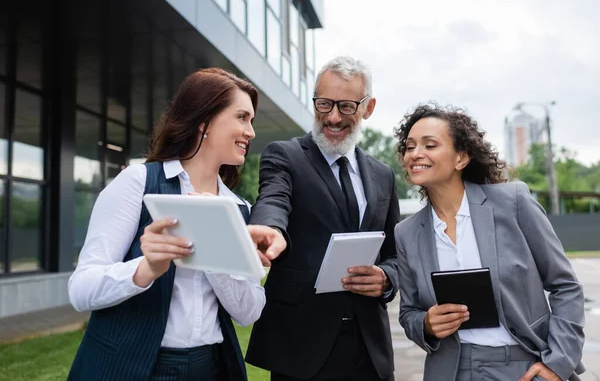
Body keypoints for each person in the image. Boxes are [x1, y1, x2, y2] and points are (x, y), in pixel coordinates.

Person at [68, 68, 286, 381]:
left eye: (251, 120)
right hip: (131, 368)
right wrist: (145, 270)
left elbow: (248, 313)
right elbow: (80, 289)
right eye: (241, 117)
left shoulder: (239, 210)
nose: (251, 132)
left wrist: (219, 249)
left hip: (211, 369)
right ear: (204, 121)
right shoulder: (137, 183)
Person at [393, 103, 586, 381]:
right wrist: (426, 324)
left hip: (523, 366)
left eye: (430, 145)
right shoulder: (407, 232)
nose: (415, 154)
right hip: (451, 370)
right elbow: (409, 311)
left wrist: (557, 363)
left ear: (461, 158)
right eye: (409, 147)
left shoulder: (513, 203)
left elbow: (565, 286)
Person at [245, 56, 400, 381]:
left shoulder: (383, 174)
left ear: (368, 107)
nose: (331, 117)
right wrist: (268, 227)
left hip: (369, 350)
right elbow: (274, 197)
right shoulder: (284, 155)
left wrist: (386, 278)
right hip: (301, 347)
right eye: (323, 103)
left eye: (345, 106)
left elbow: (396, 254)